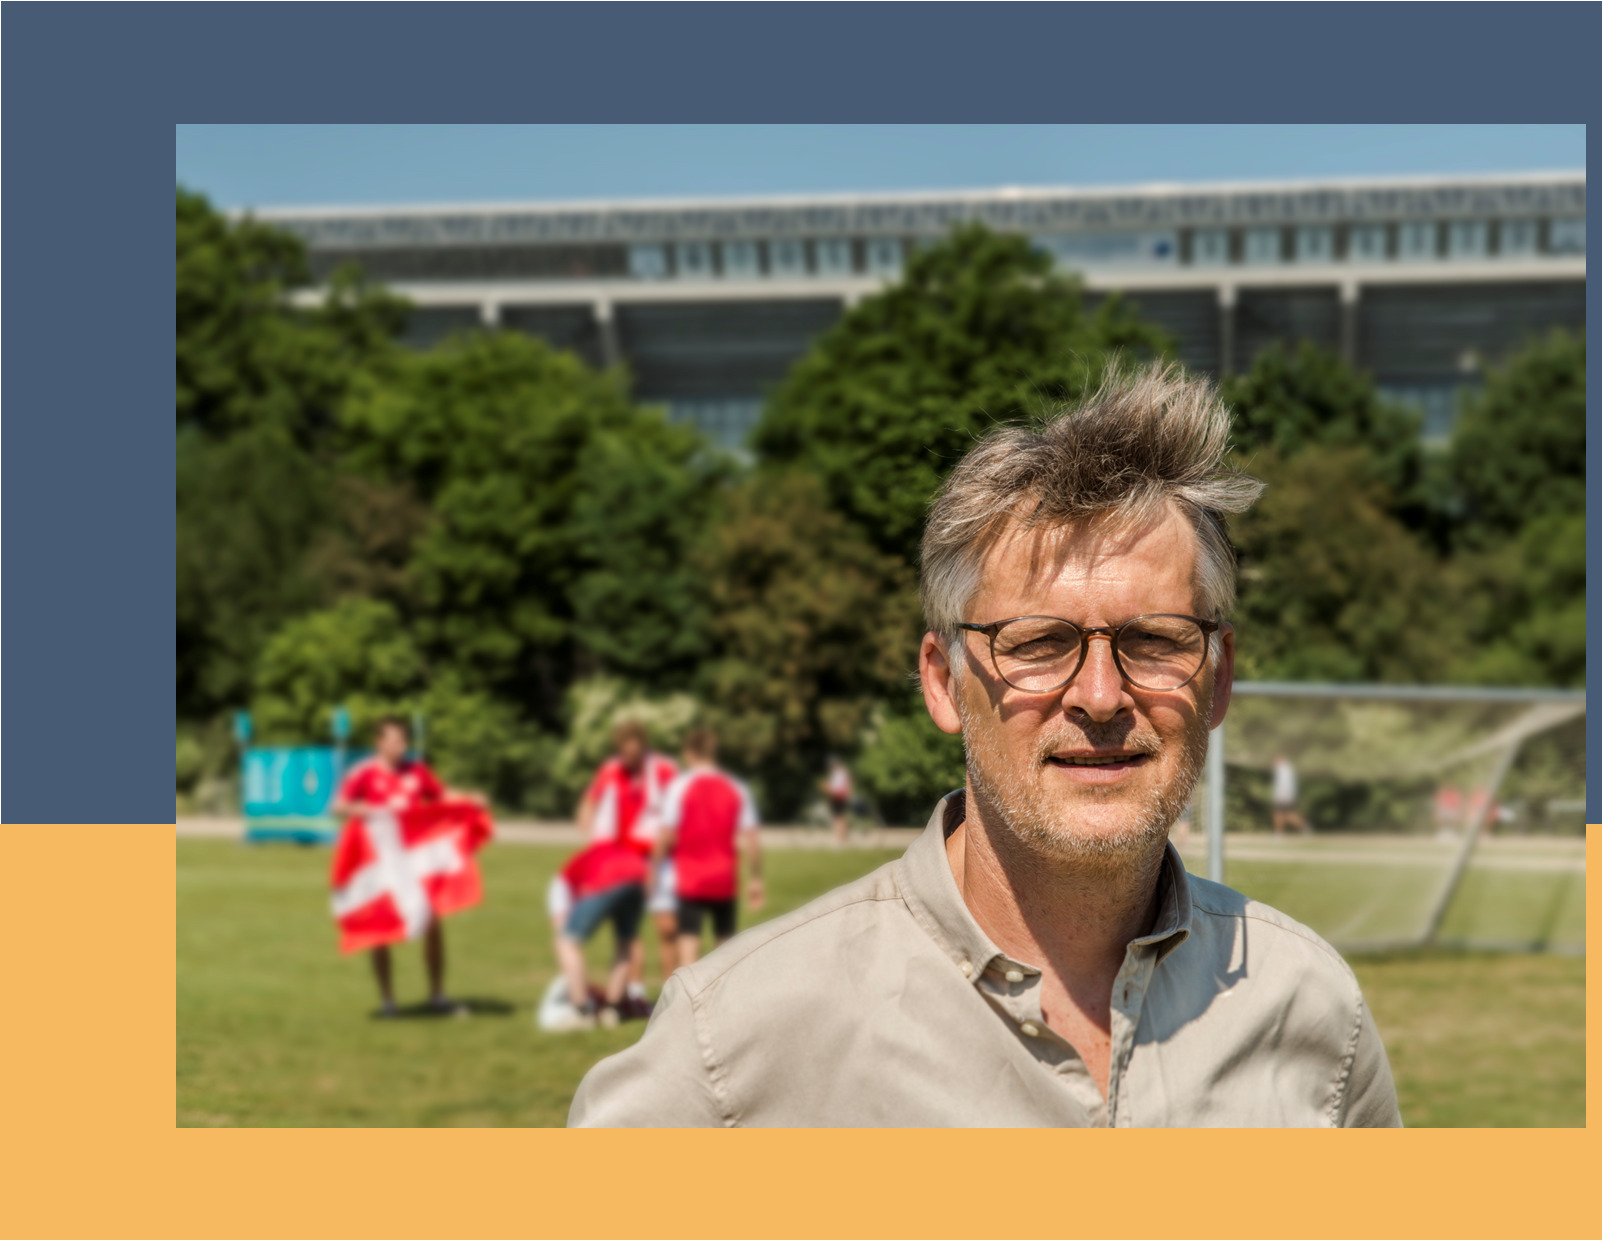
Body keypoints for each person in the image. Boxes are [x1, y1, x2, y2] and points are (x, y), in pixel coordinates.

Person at [571, 361, 1400, 1126]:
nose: (1102, 697)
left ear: (1216, 681)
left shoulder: (1311, 1008)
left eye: (1155, 640)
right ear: (943, 682)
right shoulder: (735, 1042)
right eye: (1038, 644)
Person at [329, 716, 489, 1017]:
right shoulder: (364, 773)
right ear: (379, 742)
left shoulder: (416, 771)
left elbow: (443, 797)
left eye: (403, 739)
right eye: (393, 740)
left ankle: (437, 995)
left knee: (432, 923)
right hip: (382, 866)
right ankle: (388, 1001)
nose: (400, 746)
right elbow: (337, 805)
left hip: (416, 865)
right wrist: (357, 808)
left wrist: (470, 799)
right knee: (380, 928)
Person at [545, 719, 677, 1030]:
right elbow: (587, 808)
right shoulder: (613, 771)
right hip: (639, 870)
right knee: (626, 940)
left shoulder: (661, 771)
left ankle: (581, 1009)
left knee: (568, 941)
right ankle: (615, 1007)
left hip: (620, 867)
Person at [652, 728, 765, 967]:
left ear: (690, 753)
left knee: (688, 952)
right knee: (725, 957)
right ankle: (724, 1004)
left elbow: (667, 835)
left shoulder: (679, 787)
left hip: (690, 879)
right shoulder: (737, 787)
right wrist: (756, 878)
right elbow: (752, 838)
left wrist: (652, 868)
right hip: (723, 878)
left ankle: (687, 1005)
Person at [1271, 752, 1308, 835]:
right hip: (1285, 796)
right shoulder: (1283, 769)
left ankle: (1279, 834)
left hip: (1284, 796)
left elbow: (1286, 785)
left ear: (1281, 759)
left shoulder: (1284, 770)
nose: (1273, 762)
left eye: (1275, 760)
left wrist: (1284, 797)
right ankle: (1305, 827)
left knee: (1280, 814)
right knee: (1286, 815)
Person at [823, 756, 854, 846]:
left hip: (838, 796)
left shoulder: (838, 773)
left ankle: (840, 838)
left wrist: (827, 787)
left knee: (838, 817)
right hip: (839, 796)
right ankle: (842, 836)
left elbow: (837, 787)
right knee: (839, 817)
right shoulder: (840, 773)